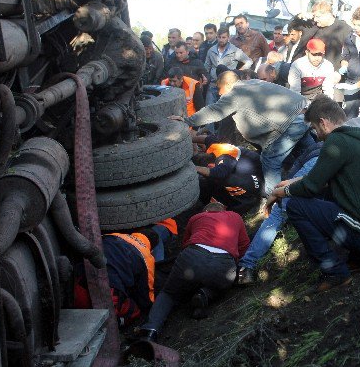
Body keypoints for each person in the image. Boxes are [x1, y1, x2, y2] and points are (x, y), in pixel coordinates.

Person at [268, 96, 360, 292]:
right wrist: (291, 182)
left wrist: (281, 192)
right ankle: (357, 259)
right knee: (333, 196)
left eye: (316, 129)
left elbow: (311, 187)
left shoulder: (338, 140)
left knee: (296, 206)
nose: (317, 135)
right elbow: (322, 176)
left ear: (323, 123)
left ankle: (335, 272)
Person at [174, 71, 312, 196]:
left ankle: (275, 201)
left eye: (219, 89)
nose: (219, 94)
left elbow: (214, 111)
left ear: (228, 85)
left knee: (270, 161)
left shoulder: (235, 93)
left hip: (290, 122)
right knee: (310, 154)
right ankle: (314, 184)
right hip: (304, 113)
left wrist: (187, 121)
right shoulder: (251, 82)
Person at [138, 203, 249, 341]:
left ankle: (149, 331)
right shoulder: (235, 217)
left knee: (169, 293)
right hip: (224, 264)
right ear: (223, 210)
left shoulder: (196, 217)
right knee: (223, 283)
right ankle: (204, 294)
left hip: (193, 257)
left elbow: (185, 243)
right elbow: (244, 246)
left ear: (206, 211)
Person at [237, 141, 323, 285]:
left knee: (278, 213)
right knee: (282, 211)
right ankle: (247, 265)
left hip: (317, 162)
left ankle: (247, 265)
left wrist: (282, 193)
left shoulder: (318, 145)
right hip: (319, 163)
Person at [102, 229, 158, 326]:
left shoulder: (114, 235)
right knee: (134, 310)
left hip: (80, 280)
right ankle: (118, 323)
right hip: (108, 294)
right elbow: (146, 295)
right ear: (152, 249)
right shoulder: (147, 257)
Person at [195, 143, 264, 216]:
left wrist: (195, 168)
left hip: (255, 190)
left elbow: (219, 173)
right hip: (261, 166)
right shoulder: (221, 151)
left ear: (209, 166)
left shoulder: (224, 169)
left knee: (218, 179)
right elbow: (208, 138)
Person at [291, 0, 352, 71]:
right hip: (309, 72)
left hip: (333, 73)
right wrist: (299, 16)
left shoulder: (344, 28)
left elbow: (349, 52)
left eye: (318, 16)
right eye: (314, 16)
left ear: (328, 15)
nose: (315, 19)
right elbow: (292, 26)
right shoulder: (312, 25)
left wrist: (341, 69)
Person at [203, 27, 253, 106]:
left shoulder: (235, 50)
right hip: (213, 84)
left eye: (224, 37)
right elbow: (206, 67)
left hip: (228, 86)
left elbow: (249, 61)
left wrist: (238, 72)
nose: (221, 40)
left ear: (228, 37)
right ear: (217, 37)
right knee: (209, 109)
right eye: (219, 37)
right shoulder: (211, 50)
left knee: (225, 110)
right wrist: (205, 76)